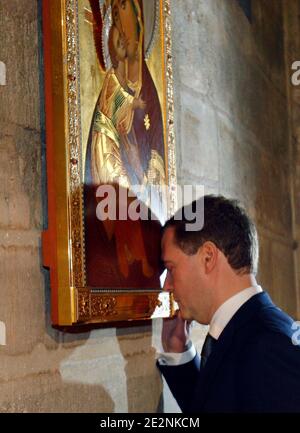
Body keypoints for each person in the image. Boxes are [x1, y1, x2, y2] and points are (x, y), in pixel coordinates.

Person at [157, 195, 300, 412]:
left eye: (171, 268)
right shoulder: (248, 330)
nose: (167, 285)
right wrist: (179, 350)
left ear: (208, 257)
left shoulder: (268, 346)